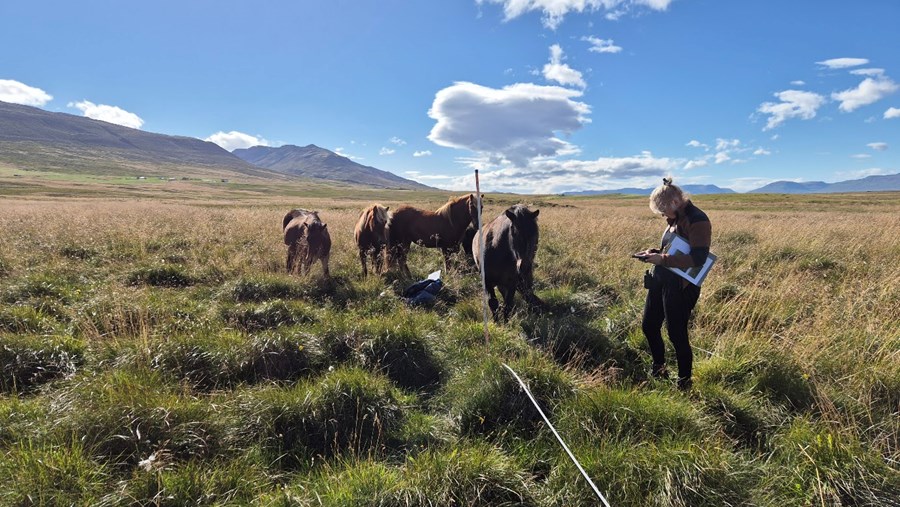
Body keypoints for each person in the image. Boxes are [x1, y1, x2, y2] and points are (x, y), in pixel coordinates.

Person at [634, 177, 711, 390]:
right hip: (662, 279)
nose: (662, 215)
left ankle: (684, 382)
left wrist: (663, 260)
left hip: (681, 286)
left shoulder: (698, 220)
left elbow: (698, 258)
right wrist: (654, 253)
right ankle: (659, 368)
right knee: (649, 326)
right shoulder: (675, 219)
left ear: (675, 202)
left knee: (676, 334)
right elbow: (676, 249)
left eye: (663, 211)